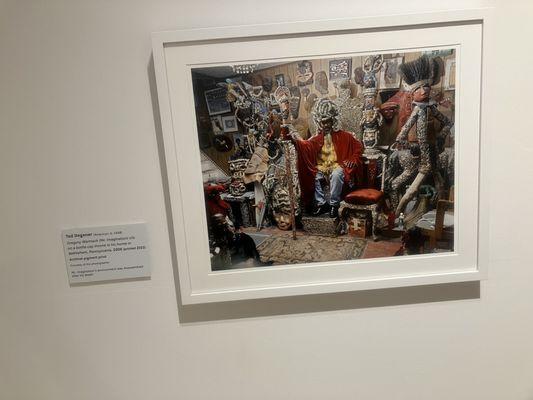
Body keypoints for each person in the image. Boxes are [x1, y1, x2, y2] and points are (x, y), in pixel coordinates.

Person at [282, 99, 363, 218]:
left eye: (328, 122)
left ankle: (334, 205)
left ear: (333, 120)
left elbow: (358, 148)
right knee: (312, 174)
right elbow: (305, 146)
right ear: (319, 122)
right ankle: (322, 203)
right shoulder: (316, 138)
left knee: (337, 174)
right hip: (321, 167)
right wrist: (293, 139)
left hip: (338, 166)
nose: (326, 125)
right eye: (323, 122)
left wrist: (353, 158)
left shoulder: (345, 136)